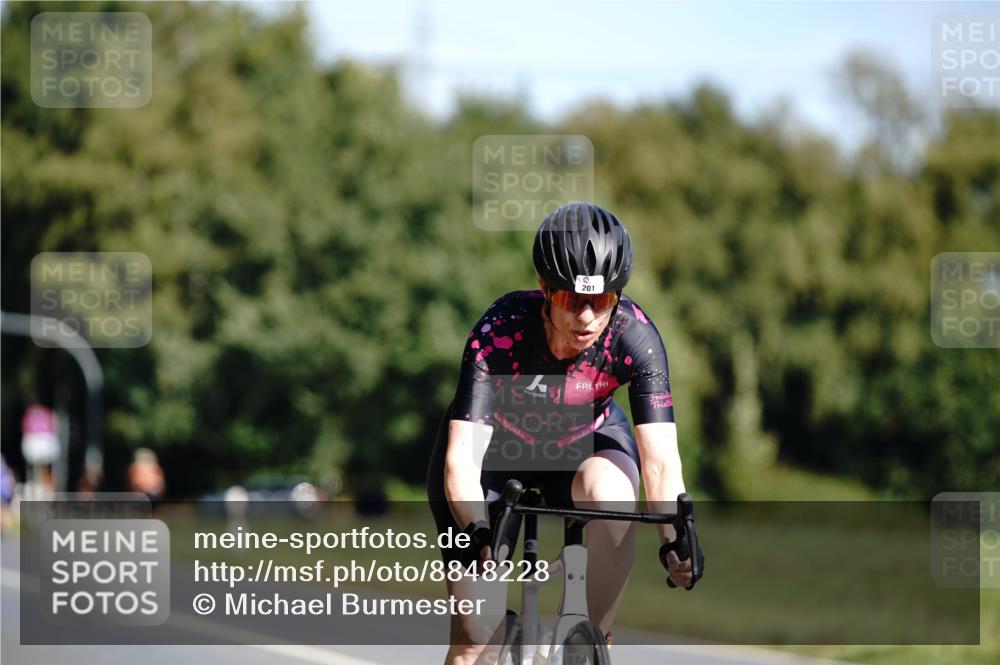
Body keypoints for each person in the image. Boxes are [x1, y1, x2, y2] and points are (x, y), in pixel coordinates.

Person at [426, 202, 705, 665]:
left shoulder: (635, 336)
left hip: (582, 446)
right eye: (573, 300)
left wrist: (675, 540)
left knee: (614, 495)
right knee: (475, 639)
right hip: (495, 456)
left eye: (603, 300)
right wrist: (476, 529)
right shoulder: (499, 330)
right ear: (545, 289)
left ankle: (589, 640)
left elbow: (660, 462)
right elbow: (462, 461)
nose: (588, 317)